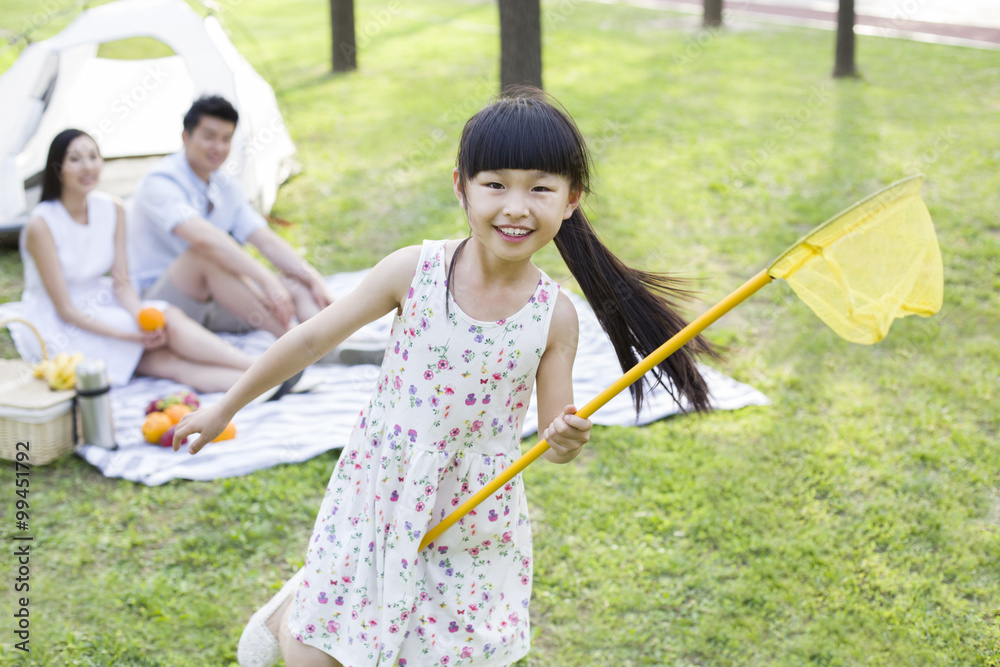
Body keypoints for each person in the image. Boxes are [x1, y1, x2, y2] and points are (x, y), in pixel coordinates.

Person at [173, 87, 713, 667]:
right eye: (495, 184)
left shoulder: (554, 317)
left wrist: (566, 439)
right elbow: (310, 339)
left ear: (571, 200)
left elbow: (558, 436)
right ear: (461, 185)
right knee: (320, 652)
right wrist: (224, 407)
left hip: (474, 513)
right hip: (382, 486)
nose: (516, 206)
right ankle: (290, 611)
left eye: (540, 188)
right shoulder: (415, 272)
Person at [18, 129, 274, 394]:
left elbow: (122, 283)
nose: (87, 167)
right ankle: (261, 383)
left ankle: (262, 370)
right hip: (63, 323)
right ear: (58, 168)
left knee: (168, 320)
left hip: (104, 301)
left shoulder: (112, 208)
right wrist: (130, 335)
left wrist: (139, 317)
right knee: (165, 362)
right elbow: (64, 309)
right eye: (75, 159)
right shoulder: (42, 224)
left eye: (93, 157)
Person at [128, 95, 333, 338]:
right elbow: (204, 239)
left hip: (215, 298)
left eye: (226, 139)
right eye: (209, 136)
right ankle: (294, 347)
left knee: (296, 286)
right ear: (186, 136)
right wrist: (266, 280)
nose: (218, 147)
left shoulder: (225, 186)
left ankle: (330, 345)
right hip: (164, 302)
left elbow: (265, 240)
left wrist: (313, 279)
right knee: (205, 256)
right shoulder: (160, 183)